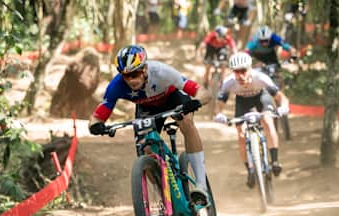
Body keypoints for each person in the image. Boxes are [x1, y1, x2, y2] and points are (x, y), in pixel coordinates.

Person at [88, 45, 208, 204]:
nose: (131, 80)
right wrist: (96, 126)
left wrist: (196, 101)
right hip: (147, 109)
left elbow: (203, 93)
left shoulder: (162, 72)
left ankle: (201, 185)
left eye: (135, 73)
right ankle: (166, 200)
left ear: (144, 69)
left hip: (173, 98)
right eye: (126, 76)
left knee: (186, 122)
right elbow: (97, 115)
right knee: (144, 151)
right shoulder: (117, 85)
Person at [213, 52, 289, 187]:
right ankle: (250, 170)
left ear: (250, 68)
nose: (240, 75)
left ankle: (275, 161)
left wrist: (283, 107)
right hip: (242, 102)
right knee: (241, 134)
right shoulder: (228, 82)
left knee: (267, 121)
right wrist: (219, 115)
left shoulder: (261, 78)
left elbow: (281, 97)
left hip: (261, 98)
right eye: (237, 72)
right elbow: (219, 105)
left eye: (243, 71)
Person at [198, 25, 237, 90]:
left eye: (222, 37)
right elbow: (203, 45)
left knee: (223, 63)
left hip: (221, 48)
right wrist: (199, 55)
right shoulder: (211, 35)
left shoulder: (227, 37)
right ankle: (206, 81)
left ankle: (222, 81)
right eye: (219, 37)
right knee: (208, 64)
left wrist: (236, 56)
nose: (220, 39)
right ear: (216, 34)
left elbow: (234, 48)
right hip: (211, 47)